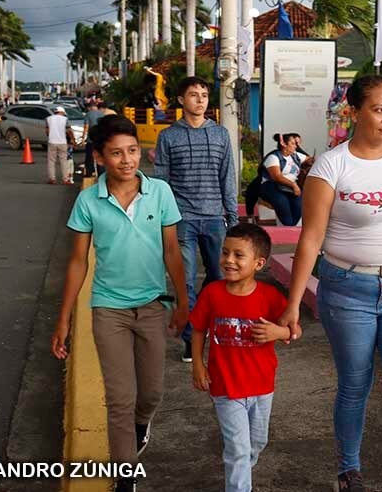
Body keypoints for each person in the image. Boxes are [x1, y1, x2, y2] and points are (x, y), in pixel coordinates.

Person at [277, 75, 382, 492]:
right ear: (354, 112)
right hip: (347, 290)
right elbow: (311, 239)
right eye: (379, 109)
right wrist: (293, 304)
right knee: (356, 383)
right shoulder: (332, 166)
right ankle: (348, 471)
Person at [50, 115, 188, 492]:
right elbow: (78, 262)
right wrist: (64, 321)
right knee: (119, 399)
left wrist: (183, 300)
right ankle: (124, 479)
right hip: (108, 308)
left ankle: (143, 424)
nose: (127, 160)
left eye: (132, 151)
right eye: (116, 154)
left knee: (152, 393)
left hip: (152, 305)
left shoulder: (160, 192)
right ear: (100, 157)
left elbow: (172, 250)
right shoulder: (88, 200)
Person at [190, 223, 291, 492]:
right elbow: (198, 329)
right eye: (225, 253)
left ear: (259, 263)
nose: (228, 260)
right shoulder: (212, 293)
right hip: (225, 388)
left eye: (238, 255)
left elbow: (294, 330)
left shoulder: (270, 297)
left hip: (262, 387)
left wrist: (277, 331)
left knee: (256, 443)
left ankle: (242, 467)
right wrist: (198, 365)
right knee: (237, 450)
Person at [154, 76, 238, 362]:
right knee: (184, 282)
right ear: (181, 100)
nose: (200, 99)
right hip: (182, 219)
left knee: (219, 277)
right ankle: (191, 340)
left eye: (204, 94)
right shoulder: (168, 136)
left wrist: (232, 216)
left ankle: (203, 321)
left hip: (215, 218)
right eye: (193, 94)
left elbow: (228, 177)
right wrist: (161, 219)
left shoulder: (220, 134)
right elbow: (161, 181)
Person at [258, 133, 308, 226]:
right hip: (272, 186)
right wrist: (294, 185)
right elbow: (277, 176)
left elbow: (309, 159)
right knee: (284, 209)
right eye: (293, 143)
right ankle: (265, 202)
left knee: (298, 207)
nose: (295, 146)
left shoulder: (295, 155)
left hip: (289, 188)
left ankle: (289, 227)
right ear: (284, 144)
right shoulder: (273, 157)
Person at [45, 106, 74, 184]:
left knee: (51, 161)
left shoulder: (48, 119)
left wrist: (51, 135)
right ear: (62, 112)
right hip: (62, 142)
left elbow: (47, 131)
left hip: (52, 142)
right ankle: (65, 179)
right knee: (64, 161)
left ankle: (52, 178)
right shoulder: (65, 119)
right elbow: (69, 131)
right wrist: (72, 139)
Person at [82, 101, 105, 177]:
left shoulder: (88, 114)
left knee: (90, 157)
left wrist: (83, 138)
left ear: (90, 107)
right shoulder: (102, 114)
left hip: (91, 139)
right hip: (100, 139)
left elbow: (86, 127)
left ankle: (89, 172)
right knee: (100, 156)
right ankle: (101, 173)